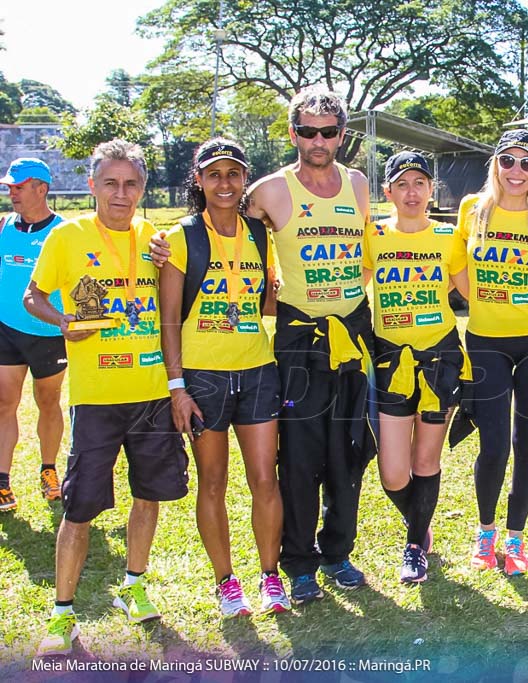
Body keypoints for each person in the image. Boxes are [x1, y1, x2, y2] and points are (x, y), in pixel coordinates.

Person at [153, 87, 375, 603]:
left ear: (343, 135)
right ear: (293, 133)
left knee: (348, 451)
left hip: (350, 330)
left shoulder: (360, 185)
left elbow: (368, 250)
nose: (318, 141)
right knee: (296, 457)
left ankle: (339, 553)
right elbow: (215, 224)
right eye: (307, 131)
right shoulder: (269, 192)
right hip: (297, 339)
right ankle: (298, 565)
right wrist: (160, 242)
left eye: (329, 131)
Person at [25, 140, 188, 656]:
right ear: (92, 185)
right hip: (96, 397)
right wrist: (61, 322)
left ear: (143, 187)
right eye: (111, 183)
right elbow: (34, 296)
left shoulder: (157, 241)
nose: (122, 193)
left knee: (148, 494)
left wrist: (167, 262)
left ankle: (134, 585)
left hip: (151, 393)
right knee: (80, 507)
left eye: (132, 183)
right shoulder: (66, 237)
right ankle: (62, 615)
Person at [158, 138, 289, 616]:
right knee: (213, 481)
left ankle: (270, 577)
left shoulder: (260, 234)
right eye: (215, 174)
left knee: (264, 480)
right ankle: (226, 582)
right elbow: (168, 319)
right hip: (204, 377)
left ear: (244, 179)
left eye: (233, 174)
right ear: (199, 180)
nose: (225, 183)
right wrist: (178, 388)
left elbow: (264, 301)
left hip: (257, 370)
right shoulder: (180, 237)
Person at [450, 130, 528, 576]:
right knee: (493, 443)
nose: (516, 171)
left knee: (526, 442)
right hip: (485, 341)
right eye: (508, 161)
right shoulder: (471, 210)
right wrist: (477, 300)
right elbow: (456, 264)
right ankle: (485, 534)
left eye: (526, 163)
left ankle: (515, 538)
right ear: (495, 165)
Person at [363, 151, 469, 583]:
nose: (411, 192)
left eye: (419, 183)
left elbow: (475, 294)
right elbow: (351, 285)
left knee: (425, 461)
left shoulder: (448, 239)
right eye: (402, 183)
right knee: (392, 471)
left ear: (431, 190)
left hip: (439, 358)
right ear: (387, 191)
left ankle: (413, 546)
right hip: (390, 358)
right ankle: (419, 522)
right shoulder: (373, 236)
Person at [0, 159, 67, 511]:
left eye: (19, 187)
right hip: (6, 331)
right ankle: (2, 481)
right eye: (10, 187)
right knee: (4, 403)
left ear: (41, 189)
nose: (12, 193)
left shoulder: (63, 232)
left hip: (47, 333)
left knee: (47, 402)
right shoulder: (4, 226)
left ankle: (49, 470)